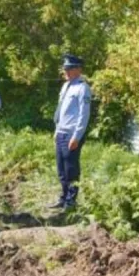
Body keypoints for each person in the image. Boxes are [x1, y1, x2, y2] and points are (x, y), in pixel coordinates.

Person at [51, 54, 92, 209]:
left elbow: (84, 115)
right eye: (65, 69)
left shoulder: (83, 87)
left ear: (78, 69)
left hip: (72, 134)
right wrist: (57, 130)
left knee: (71, 168)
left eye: (69, 69)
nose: (66, 72)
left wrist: (76, 136)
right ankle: (63, 196)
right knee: (61, 168)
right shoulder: (66, 86)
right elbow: (61, 111)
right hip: (62, 131)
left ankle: (71, 200)